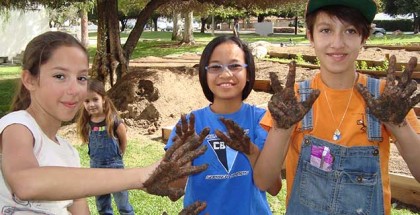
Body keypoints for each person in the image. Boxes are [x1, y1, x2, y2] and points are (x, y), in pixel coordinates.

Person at [0, 31, 207, 215]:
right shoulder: (17, 126)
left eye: (81, 78)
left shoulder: (69, 153)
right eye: (60, 76)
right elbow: (26, 182)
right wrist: (142, 176)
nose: (74, 90)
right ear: (29, 80)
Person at [253, 0, 420, 214]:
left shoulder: (386, 98)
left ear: (364, 38)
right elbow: (264, 181)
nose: (337, 43)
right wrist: (281, 128)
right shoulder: (292, 101)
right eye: (326, 30)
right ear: (310, 36)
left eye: (350, 30)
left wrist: (398, 124)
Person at [165, 35, 282, 214]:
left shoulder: (263, 121)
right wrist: (183, 155)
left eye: (235, 66)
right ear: (205, 73)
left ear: (248, 73)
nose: (225, 74)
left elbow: (274, 188)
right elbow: (174, 189)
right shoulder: (190, 125)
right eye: (215, 67)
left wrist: (251, 150)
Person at [77, 79, 134, 214]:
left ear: (103, 99)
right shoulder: (87, 122)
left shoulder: (113, 121)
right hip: (95, 167)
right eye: (87, 101)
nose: (91, 104)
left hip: (115, 166)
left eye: (95, 99)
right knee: (102, 204)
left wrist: (120, 153)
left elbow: (123, 139)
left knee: (122, 203)